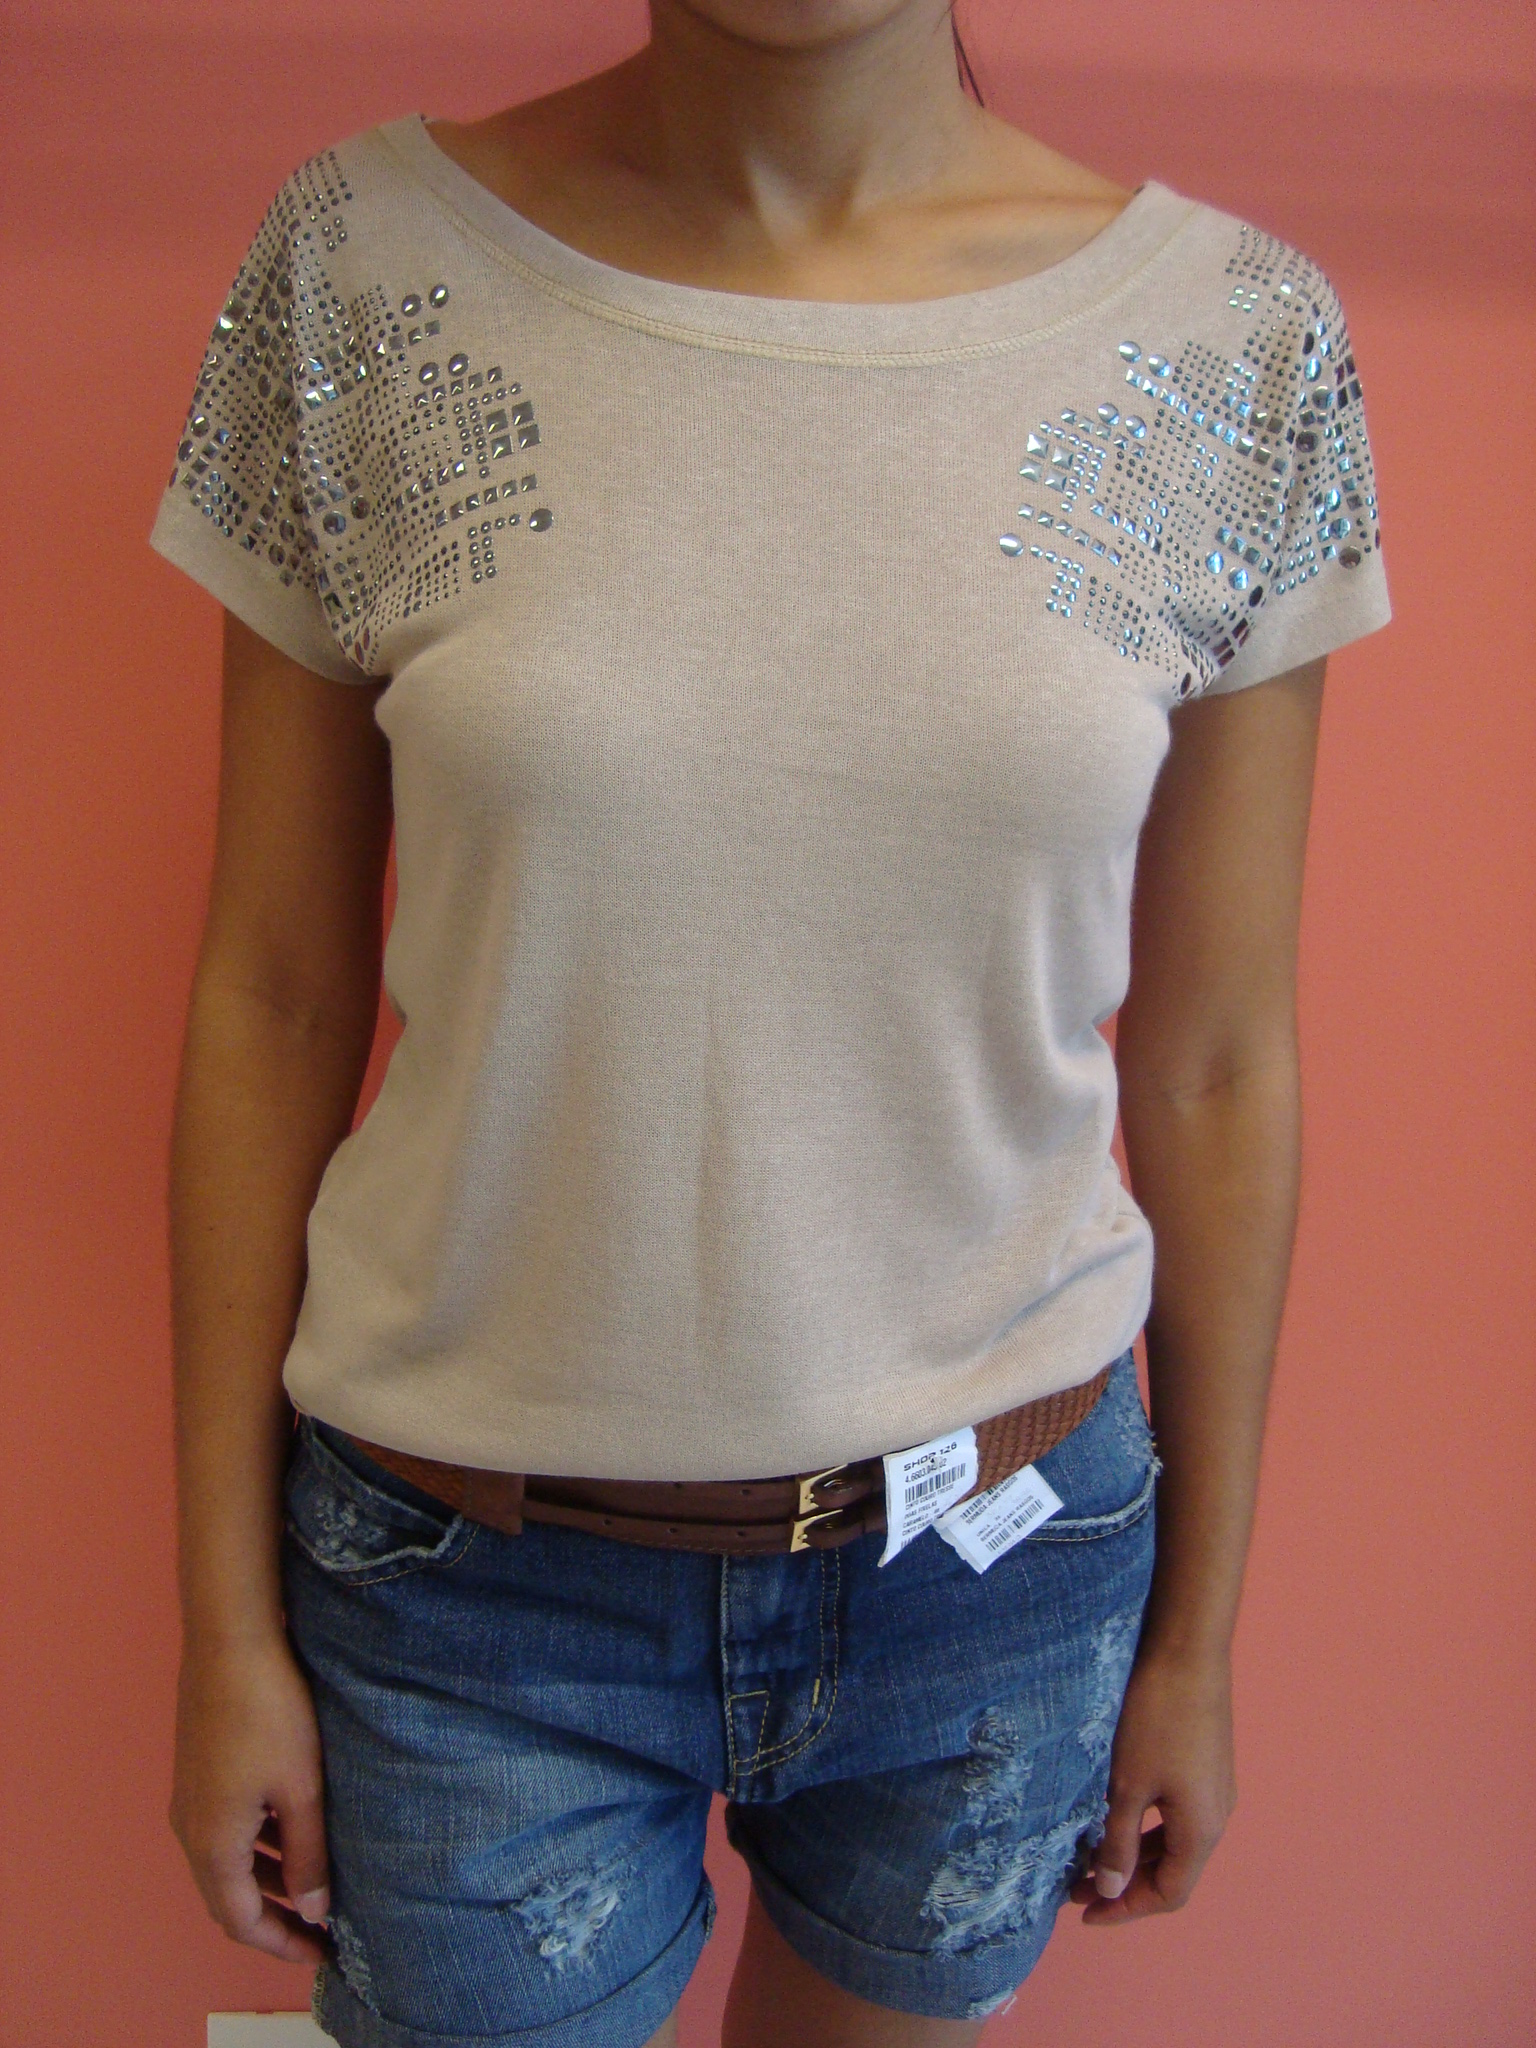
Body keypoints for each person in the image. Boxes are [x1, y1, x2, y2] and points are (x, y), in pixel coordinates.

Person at [153, 5, 1392, 2045]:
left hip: (998, 1569)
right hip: (465, 1583)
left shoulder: (1238, 340)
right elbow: (272, 989)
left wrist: (1199, 1636)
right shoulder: (365, 265)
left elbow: (1219, 1060)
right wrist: (220, 1626)